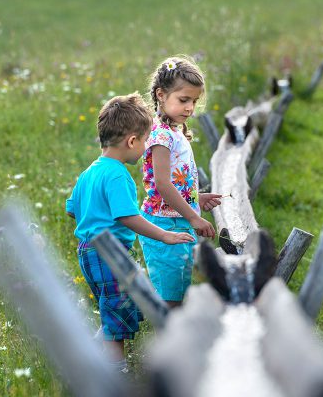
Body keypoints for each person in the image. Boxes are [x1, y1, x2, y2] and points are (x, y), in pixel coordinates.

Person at [65, 92, 194, 373]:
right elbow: (127, 217)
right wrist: (165, 235)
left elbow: (72, 209)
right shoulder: (117, 174)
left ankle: (95, 351)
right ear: (132, 141)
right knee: (115, 309)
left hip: (88, 252)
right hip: (109, 254)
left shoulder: (90, 172)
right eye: (145, 140)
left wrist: (94, 215)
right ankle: (114, 370)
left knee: (116, 305)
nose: (147, 146)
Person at [139, 56, 222, 308]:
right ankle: (170, 341)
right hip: (165, 223)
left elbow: (176, 181)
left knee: (179, 285)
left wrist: (196, 197)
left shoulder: (174, 130)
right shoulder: (160, 135)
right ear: (161, 95)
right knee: (171, 295)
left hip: (178, 217)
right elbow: (163, 185)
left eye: (194, 101)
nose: (190, 108)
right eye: (183, 100)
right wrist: (195, 217)